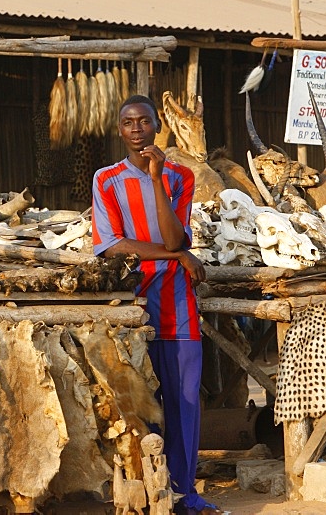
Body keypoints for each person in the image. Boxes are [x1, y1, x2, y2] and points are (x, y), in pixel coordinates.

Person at [91, 94, 220, 515]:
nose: (136, 129)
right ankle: (146, 494)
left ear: (156, 126)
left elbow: (171, 237)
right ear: (119, 129)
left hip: (178, 305)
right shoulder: (106, 179)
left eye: (143, 122)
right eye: (128, 122)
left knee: (184, 403)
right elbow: (112, 246)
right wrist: (178, 256)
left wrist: (156, 176)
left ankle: (185, 494)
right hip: (132, 307)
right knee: (135, 405)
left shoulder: (179, 176)